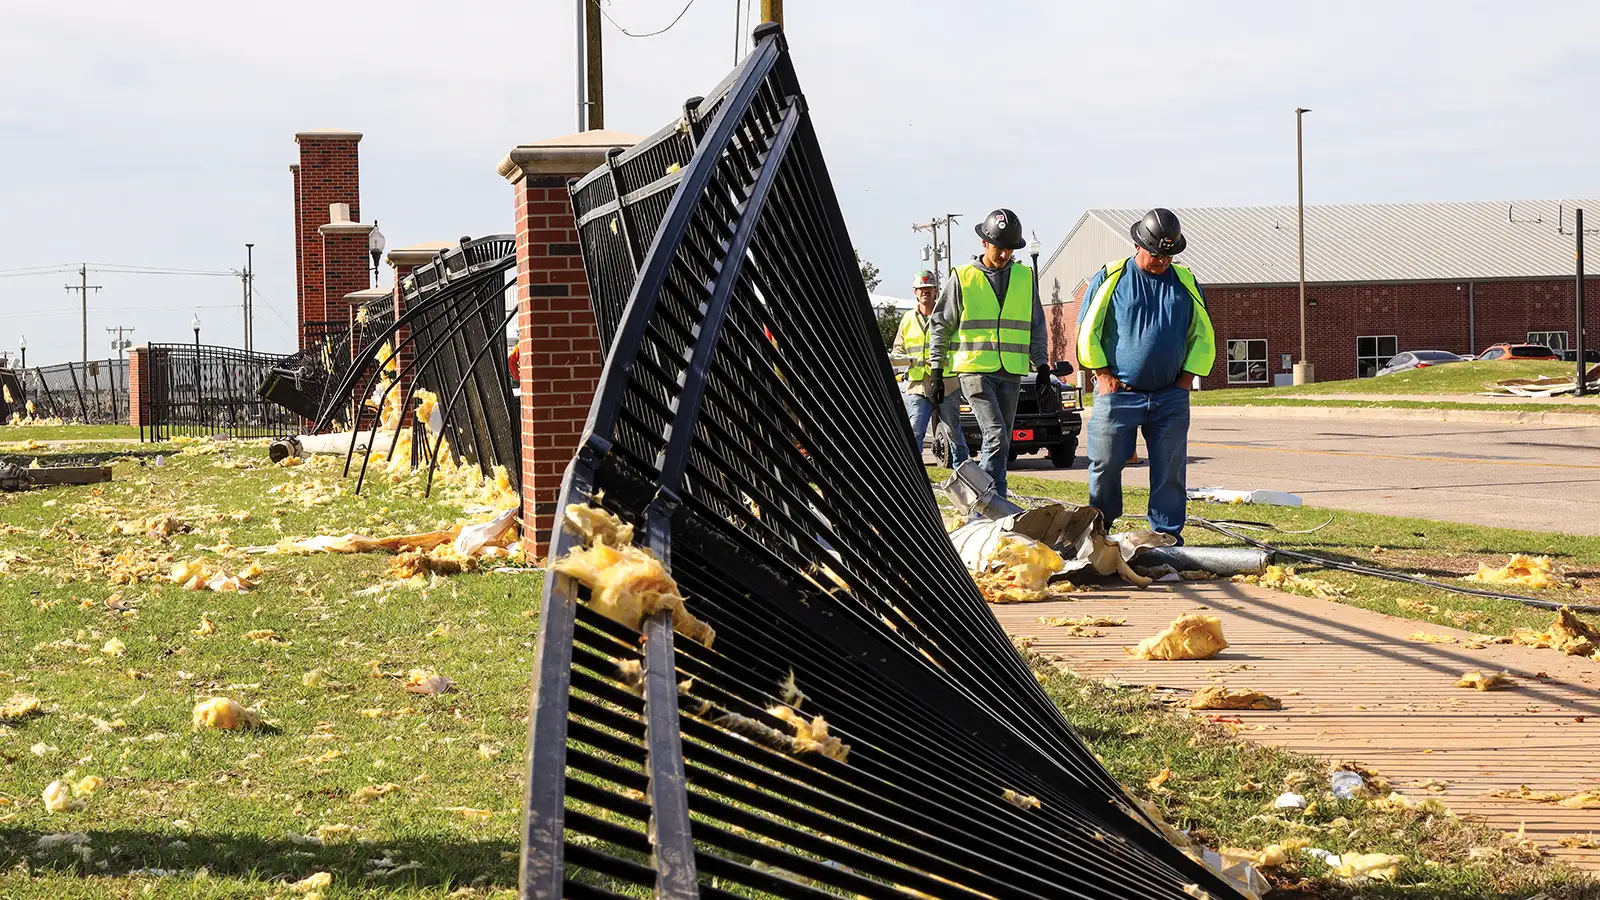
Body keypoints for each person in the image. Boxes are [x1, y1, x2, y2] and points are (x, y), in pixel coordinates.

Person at [1075, 208, 1216, 542]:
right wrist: (1102, 375)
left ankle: (1166, 536)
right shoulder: (1112, 277)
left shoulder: (1184, 281)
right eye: (1157, 254)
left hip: (1170, 395)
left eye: (1169, 255)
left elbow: (1203, 334)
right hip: (1118, 392)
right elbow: (1087, 331)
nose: (1162, 261)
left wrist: (1186, 380)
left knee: (1169, 470)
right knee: (1105, 464)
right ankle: (1100, 532)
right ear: (1138, 244)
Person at [928, 208, 1050, 499]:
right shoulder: (963, 277)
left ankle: (997, 501)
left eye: (1010, 249)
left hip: (1011, 371)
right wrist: (935, 369)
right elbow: (940, 324)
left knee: (1002, 441)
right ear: (984, 243)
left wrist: (1043, 365)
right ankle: (981, 499)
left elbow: (1037, 325)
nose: (1005, 255)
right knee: (995, 435)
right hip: (975, 371)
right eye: (999, 248)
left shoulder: (1024, 277)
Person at [892, 270, 969, 467]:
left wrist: (942, 362)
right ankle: (913, 472)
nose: (925, 292)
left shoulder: (948, 316)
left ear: (937, 292)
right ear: (915, 292)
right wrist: (915, 360)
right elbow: (897, 352)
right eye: (922, 289)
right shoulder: (907, 319)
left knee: (953, 429)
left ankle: (963, 471)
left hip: (947, 383)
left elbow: (962, 346)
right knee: (915, 429)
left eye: (930, 289)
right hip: (919, 385)